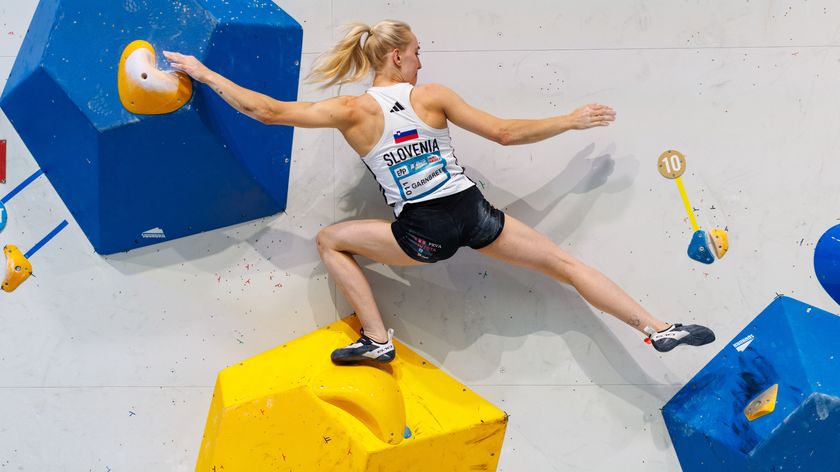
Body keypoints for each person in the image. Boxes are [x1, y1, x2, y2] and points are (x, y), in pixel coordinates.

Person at [164, 20, 715, 365]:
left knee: (331, 240)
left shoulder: (351, 111)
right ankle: (657, 327)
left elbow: (267, 111)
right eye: (419, 52)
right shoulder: (432, 96)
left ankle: (377, 340)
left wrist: (202, 72)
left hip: (421, 235)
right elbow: (504, 133)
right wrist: (567, 120)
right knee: (565, 265)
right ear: (398, 56)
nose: (423, 61)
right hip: (474, 213)